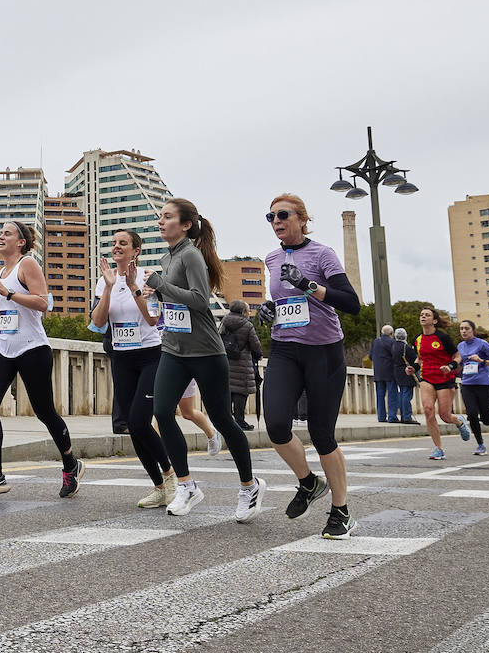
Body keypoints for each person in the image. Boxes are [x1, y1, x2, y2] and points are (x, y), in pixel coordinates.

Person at [146, 198, 262, 522]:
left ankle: (249, 487)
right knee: (161, 412)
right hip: (173, 348)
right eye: (160, 217)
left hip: (206, 351)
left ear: (185, 225)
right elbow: (172, 301)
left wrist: (160, 284)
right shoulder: (166, 258)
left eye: (167, 217)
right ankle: (186, 485)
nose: (161, 222)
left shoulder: (191, 256)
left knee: (223, 419)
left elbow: (199, 301)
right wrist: (154, 293)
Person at [255, 194, 363, 539]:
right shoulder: (271, 258)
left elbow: (351, 303)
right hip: (285, 349)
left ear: (302, 219)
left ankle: (341, 511)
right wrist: (268, 309)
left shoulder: (322, 254)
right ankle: (308, 481)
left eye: (283, 215)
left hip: (323, 351)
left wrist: (308, 285)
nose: (276, 221)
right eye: (270, 216)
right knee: (275, 425)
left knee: (322, 434)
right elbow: (281, 300)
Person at [0, 220, 82, 497]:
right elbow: (11, 311)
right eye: (0, 233)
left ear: (20, 242)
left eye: (7, 233)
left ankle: (70, 464)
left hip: (31, 347)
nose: (0, 236)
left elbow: (44, 303)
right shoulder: (1, 270)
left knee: (44, 412)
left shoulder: (27, 265)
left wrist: (8, 292)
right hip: (2, 345)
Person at [90, 229, 175, 507]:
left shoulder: (147, 277)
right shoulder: (105, 282)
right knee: (132, 427)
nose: (116, 247)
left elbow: (153, 319)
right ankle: (159, 487)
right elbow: (98, 322)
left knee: (140, 421)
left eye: (123, 243)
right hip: (121, 358)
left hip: (150, 356)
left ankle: (173, 476)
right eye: (114, 243)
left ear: (135, 251)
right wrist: (111, 286)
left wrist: (132, 285)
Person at [410, 307, 473, 460]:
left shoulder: (442, 337)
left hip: (445, 378)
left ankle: (458, 421)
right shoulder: (417, 339)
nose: (423, 317)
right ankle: (438, 448)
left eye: (427, 315)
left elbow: (457, 356)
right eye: (421, 315)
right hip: (427, 378)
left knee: (444, 416)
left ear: (435, 321)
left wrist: (450, 366)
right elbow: (419, 358)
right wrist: (413, 367)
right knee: (428, 410)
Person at [457, 320, 489, 456]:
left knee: (486, 420)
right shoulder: (460, 346)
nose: (464, 331)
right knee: (471, 414)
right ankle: (480, 444)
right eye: (461, 329)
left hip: (483, 384)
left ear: (473, 331)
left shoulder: (482, 344)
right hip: (467, 384)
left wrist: (481, 361)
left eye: (466, 328)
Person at [221, 300, 262, 431]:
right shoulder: (247, 325)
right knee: (241, 392)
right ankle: (240, 421)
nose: (248, 312)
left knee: (228, 391)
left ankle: (226, 421)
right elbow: (255, 345)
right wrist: (259, 354)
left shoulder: (224, 322)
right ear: (243, 312)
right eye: (248, 310)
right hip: (242, 363)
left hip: (226, 361)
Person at [370, 324, 396, 423]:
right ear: (391, 333)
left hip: (378, 372)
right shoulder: (392, 342)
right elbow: (395, 356)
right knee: (392, 395)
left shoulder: (376, 342)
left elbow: (371, 356)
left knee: (380, 395)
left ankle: (381, 417)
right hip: (390, 372)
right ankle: (392, 416)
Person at [391, 327, 416, 423]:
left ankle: (403, 415)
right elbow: (414, 358)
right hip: (406, 371)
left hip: (397, 371)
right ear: (405, 336)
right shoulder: (406, 347)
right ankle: (407, 416)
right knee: (407, 394)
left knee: (401, 394)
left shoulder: (393, 346)